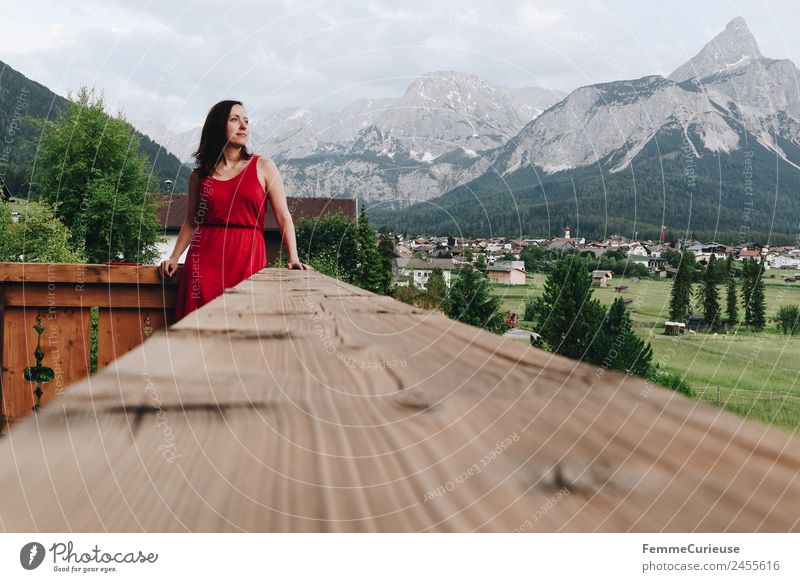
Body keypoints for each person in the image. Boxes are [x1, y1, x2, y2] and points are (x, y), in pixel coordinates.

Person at [160, 99, 313, 321]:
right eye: (234, 120)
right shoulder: (199, 176)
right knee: (199, 339)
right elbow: (192, 222)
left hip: (247, 261)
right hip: (202, 267)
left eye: (246, 121)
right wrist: (174, 257)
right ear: (218, 126)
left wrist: (293, 257)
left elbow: (283, 216)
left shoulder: (264, 166)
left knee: (245, 335)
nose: (243, 126)